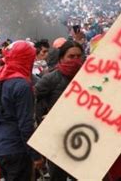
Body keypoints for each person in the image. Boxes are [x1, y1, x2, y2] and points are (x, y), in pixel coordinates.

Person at [0, 41, 44, 180]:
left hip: (0, 147)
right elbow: (25, 125)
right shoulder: (22, 85)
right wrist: (35, 156)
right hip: (17, 149)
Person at [35, 41, 84, 180]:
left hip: (82, 137)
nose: (75, 60)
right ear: (61, 58)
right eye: (71, 56)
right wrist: (41, 120)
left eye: (78, 56)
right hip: (58, 139)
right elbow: (33, 99)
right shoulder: (51, 78)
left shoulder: (88, 77)